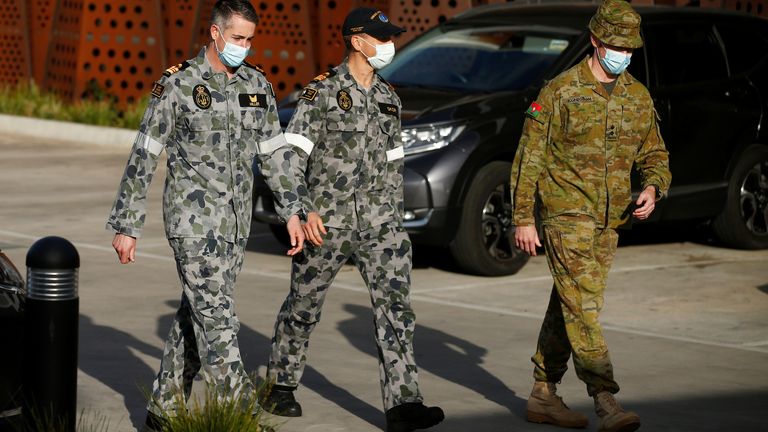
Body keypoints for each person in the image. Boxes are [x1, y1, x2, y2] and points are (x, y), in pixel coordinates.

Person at [106, 1, 304, 429]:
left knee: (195, 312)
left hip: (236, 225)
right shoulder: (178, 84)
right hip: (192, 224)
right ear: (215, 33)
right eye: (237, 38)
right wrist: (127, 224)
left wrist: (292, 210)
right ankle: (245, 416)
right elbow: (146, 152)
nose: (245, 47)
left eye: (250, 39)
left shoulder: (257, 85)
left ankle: (163, 408)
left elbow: (275, 156)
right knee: (218, 320)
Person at [261, 8, 444, 432]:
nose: (388, 45)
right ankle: (281, 384)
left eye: (390, 38)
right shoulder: (320, 93)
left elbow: (394, 163)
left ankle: (404, 404)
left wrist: (396, 222)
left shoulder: (389, 98)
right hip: (327, 222)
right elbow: (291, 158)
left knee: (396, 311)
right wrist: (302, 209)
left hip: (381, 224)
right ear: (357, 41)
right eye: (381, 38)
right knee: (303, 305)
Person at [510, 1, 672, 431]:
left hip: (611, 219)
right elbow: (530, 158)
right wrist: (523, 216)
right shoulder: (560, 91)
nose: (623, 54)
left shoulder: (637, 94)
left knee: (569, 304)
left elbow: (655, 152)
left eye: (630, 48)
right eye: (616, 45)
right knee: (584, 306)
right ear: (596, 41)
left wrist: (653, 187)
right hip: (566, 214)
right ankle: (606, 399)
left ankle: (543, 393)